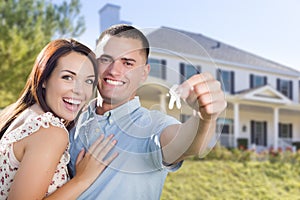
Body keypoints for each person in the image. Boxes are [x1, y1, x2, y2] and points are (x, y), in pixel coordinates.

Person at [69, 24, 227, 199]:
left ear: (144, 73)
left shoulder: (154, 125)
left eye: (127, 63)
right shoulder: (74, 118)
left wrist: (205, 118)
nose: (114, 71)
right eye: (105, 59)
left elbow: (185, 143)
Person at [0, 38, 118, 199]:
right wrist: (82, 180)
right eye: (68, 77)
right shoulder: (50, 132)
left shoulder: (20, 114)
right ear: (44, 79)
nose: (79, 91)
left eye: (88, 81)